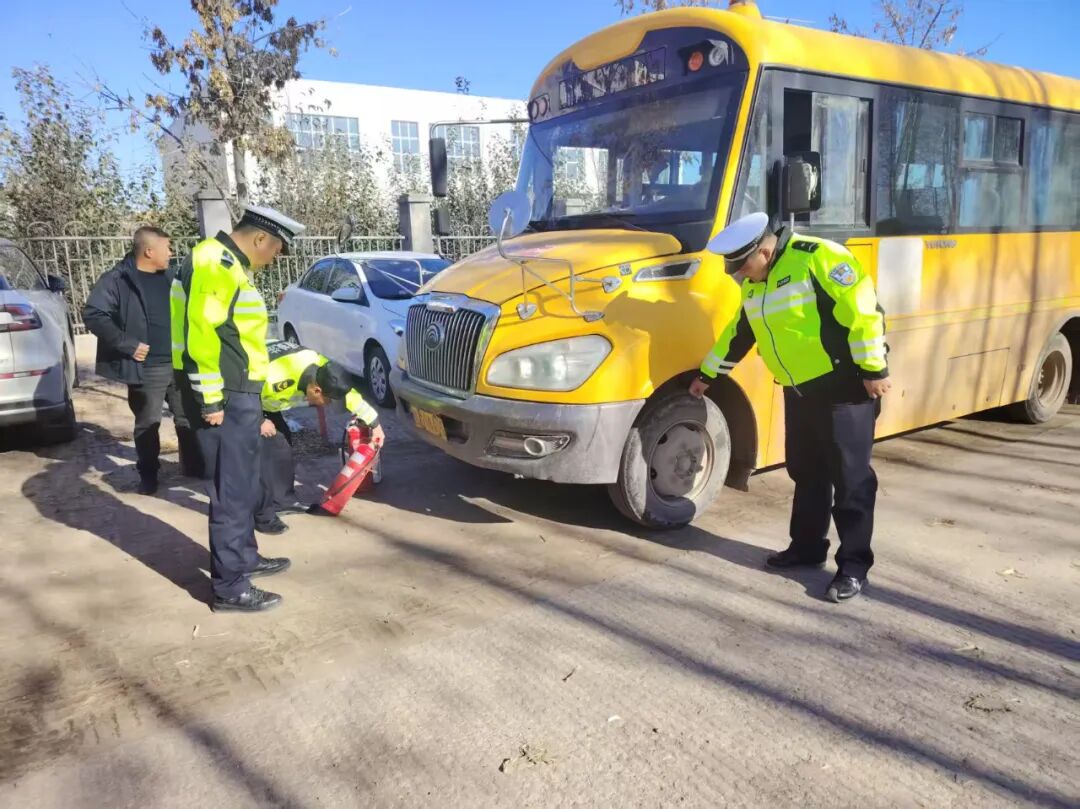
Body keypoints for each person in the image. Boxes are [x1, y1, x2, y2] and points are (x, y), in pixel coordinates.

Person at [690, 212, 891, 603]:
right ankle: (807, 548)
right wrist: (707, 375)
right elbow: (740, 331)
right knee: (807, 472)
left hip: (844, 389)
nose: (739, 276)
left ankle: (853, 567)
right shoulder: (754, 283)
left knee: (851, 481)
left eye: (743, 266)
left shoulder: (817, 256)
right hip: (799, 392)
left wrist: (873, 367)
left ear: (765, 251)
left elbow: (864, 311)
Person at [172, 206, 305, 614]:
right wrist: (210, 399)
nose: (276, 257)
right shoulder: (214, 263)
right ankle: (231, 588)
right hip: (224, 397)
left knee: (244, 483)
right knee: (230, 491)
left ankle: (245, 558)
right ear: (261, 238)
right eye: (278, 249)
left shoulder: (230, 265)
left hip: (239, 393)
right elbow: (202, 337)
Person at [84, 226, 200, 494]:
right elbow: (94, 313)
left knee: (187, 418)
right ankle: (149, 474)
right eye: (167, 247)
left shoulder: (172, 276)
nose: (171, 253)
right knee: (148, 423)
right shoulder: (118, 279)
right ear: (149, 251)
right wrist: (127, 344)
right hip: (148, 368)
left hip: (180, 363)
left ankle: (195, 467)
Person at [255, 340, 385, 533]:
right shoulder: (274, 377)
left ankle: (282, 501)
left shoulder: (323, 369)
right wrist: (258, 420)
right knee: (253, 455)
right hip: (241, 401)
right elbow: (239, 393)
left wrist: (375, 423)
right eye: (327, 401)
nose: (327, 405)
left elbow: (347, 394)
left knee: (281, 447)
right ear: (316, 390)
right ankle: (258, 513)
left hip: (263, 402)